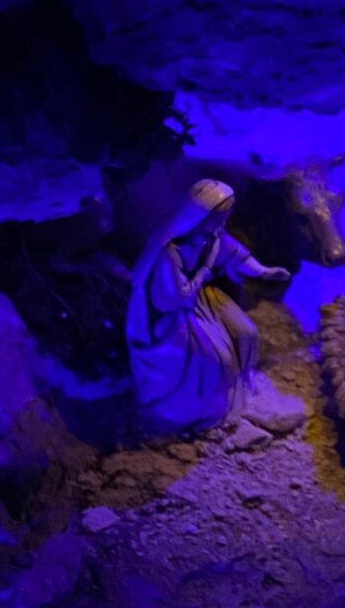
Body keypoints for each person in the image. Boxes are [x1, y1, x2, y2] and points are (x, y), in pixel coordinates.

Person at [124, 179, 289, 430]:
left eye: (226, 215)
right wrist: (204, 271)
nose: (225, 220)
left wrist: (264, 272)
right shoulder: (170, 251)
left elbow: (235, 254)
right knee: (216, 357)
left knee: (247, 332)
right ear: (202, 215)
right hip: (166, 319)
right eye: (221, 216)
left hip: (198, 299)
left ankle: (240, 394)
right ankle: (197, 414)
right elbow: (172, 298)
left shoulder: (211, 236)